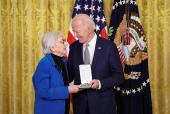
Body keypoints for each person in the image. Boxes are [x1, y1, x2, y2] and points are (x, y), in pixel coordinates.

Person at [67, 14, 125, 114]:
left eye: (77, 31)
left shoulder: (109, 47)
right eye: (74, 32)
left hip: (103, 105)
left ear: (89, 29)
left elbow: (119, 76)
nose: (75, 35)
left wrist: (100, 83)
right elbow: (69, 75)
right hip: (80, 104)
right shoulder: (73, 47)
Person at [32, 30, 79, 114]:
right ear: (52, 47)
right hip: (49, 110)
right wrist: (68, 90)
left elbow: (63, 83)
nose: (66, 44)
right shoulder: (44, 63)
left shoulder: (63, 61)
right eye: (62, 42)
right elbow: (43, 92)